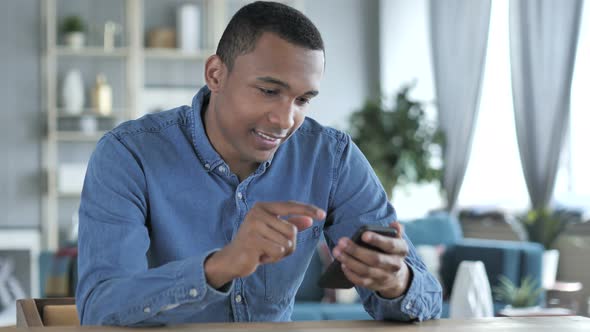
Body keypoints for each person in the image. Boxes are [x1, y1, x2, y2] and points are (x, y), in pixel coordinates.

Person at [76, 1, 442, 326]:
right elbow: (100, 308)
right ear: (215, 74)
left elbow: (428, 300)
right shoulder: (128, 155)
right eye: (269, 91)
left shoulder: (331, 157)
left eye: (303, 99)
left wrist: (396, 282)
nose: (285, 120)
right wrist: (219, 266)